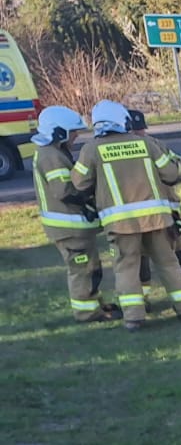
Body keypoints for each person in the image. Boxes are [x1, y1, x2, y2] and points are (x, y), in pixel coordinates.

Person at [65, 100, 181, 330]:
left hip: (120, 224)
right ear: (120, 120)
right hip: (156, 219)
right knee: (168, 263)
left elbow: (79, 183)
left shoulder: (91, 149)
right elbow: (172, 173)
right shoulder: (144, 143)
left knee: (126, 268)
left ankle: (134, 318)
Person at [31, 105, 115, 324]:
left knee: (91, 267)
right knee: (82, 270)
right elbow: (63, 189)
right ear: (59, 132)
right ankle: (87, 313)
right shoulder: (51, 155)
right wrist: (87, 194)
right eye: (73, 132)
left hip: (74, 227)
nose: (76, 136)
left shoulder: (53, 152)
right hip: (68, 228)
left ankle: (96, 303)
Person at [128, 109, 181, 304]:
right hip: (138, 213)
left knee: (178, 251)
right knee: (141, 257)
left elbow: (178, 165)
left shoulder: (155, 144)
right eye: (135, 131)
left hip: (166, 207)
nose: (140, 134)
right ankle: (142, 299)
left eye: (141, 130)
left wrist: (176, 171)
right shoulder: (125, 151)